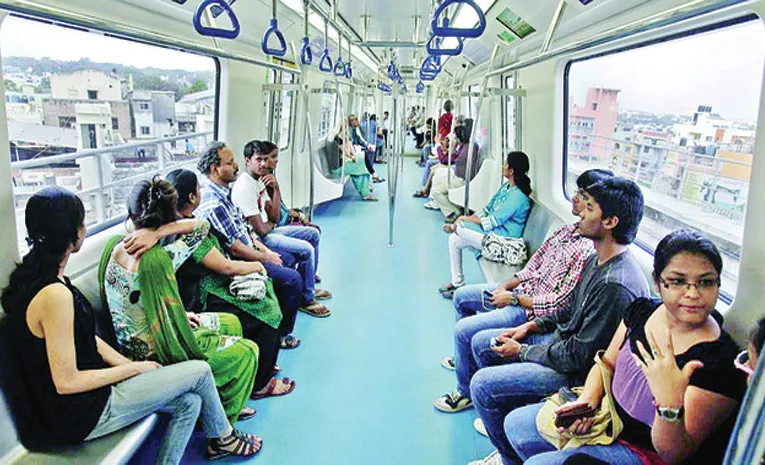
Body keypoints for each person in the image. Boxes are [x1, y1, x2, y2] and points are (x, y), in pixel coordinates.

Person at [2, 187, 260, 464]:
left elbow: (86, 338)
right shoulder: (54, 295)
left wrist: (126, 366)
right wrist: (134, 368)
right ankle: (225, 438)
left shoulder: (39, 277)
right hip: (80, 413)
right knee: (201, 372)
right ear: (72, 235)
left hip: (80, 400)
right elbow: (67, 382)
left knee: (190, 402)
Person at [435, 177, 649, 463]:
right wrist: (529, 326)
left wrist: (522, 351)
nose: (581, 213)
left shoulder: (615, 285)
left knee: (484, 385)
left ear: (610, 221)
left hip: (578, 372)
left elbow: (579, 357)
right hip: (562, 344)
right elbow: (567, 309)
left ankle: (508, 457)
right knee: (485, 344)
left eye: (590, 207)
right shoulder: (596, 260)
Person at [501, 229, 748, 465]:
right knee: (515, 425)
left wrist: (670, 406)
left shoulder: (720, 363)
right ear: (658, 282)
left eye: (706, 282)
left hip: (646, 451)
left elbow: (675, 454)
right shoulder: (642, 311)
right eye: (678, 281)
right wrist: (587, 402)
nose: (693, 293)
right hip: (608, 412)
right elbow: (606, 363)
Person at [100, 178, 289, 424]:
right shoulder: (159, 258)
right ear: (172, 215)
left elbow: (136, 306)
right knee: (247, 351)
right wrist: (161, 232)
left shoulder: (115, 247)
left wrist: (154, 230)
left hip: (132, 338)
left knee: (231, 322)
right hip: (153, 351)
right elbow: (201, 227)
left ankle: (219, 401)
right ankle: (221, 429)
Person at [440, 169, 613, 370]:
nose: (574, 199)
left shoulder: (588, 251)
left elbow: (560, 302)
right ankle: (464, 359)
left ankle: (465, 380)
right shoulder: (567, 230)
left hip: (529, 308)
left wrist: (514, 299)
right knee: (461, 296)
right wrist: (507, 284)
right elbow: (535, 263)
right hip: (521, 291)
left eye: (584, 198)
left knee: (464, 331)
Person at [164, 169, 301, 350]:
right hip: (207, 288)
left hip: (216, 274)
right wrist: (258, 265)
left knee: (274, 282)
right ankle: (265, 370)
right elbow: (226, 267)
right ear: (192, 197)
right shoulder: (191, 232)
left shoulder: (181, 223)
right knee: (270, 310)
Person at [194, 142, 317, 319]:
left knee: (291, 257)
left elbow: (255, 226)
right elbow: (236, 247)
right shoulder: (215, 203)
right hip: (242, 256)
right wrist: (266, 256)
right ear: (215, 169)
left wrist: (265, 250)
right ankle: (284, 329)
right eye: (230, 163)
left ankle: (293, 301)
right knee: (293, 277)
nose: (236, 165)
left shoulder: (227, 192)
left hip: (254, 243)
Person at [232, 140, 332, 318]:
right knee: (306, 249)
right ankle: (306, 300)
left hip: (269, 230)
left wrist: (276, 189)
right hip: (259, 239)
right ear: (247, 161)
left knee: (313, 234)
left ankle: (308, 287)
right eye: (258, 159)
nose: (263, 164)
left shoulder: (259, 181)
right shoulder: (245, 187)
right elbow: (262, 230)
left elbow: (275, 216)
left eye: (266, 159)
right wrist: (271, 223)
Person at [438, 151, 533, 298]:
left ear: (511, 170)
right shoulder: (506, 188)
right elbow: (487, 210)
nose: (503, 166)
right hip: (494, 235)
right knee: (454, 240)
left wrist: (463, 220)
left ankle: (454, 227)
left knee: (461, 228)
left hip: (504, 243)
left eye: (506, 164)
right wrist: (467, 218)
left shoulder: (518, 197)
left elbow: (493, 220)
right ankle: (457, 284)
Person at [430, 118, 482, 222]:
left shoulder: (467, 150)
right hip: (458, 175)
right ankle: (444, 204)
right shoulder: (468, 145)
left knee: (436, 190)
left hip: (462, 180)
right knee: (437, 177)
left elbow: (448, 160)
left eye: (457, 138)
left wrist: (444, 147)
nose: (456, 140)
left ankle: (453, 212)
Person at [333, 121, 378, 201]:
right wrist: (352, 156)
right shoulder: (338, 138)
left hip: (348, 160)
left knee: (362, 170)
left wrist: (353, 155)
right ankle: (367, 188)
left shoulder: (346, 136)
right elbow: (345, 151)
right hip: (343, 165)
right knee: (362, 164)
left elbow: (351, 149)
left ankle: (366, 190)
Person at [348, 114, 384, 183]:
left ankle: (373, 176)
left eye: (355, 120)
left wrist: (367, 145)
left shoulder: (355, 129)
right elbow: (351, 143)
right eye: (353, 120)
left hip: (357, 148)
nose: (355, 122)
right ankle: (374, 176)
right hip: (352, 151)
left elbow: (359, 139)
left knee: (367, 156)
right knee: (366, 157)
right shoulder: (350, 130)